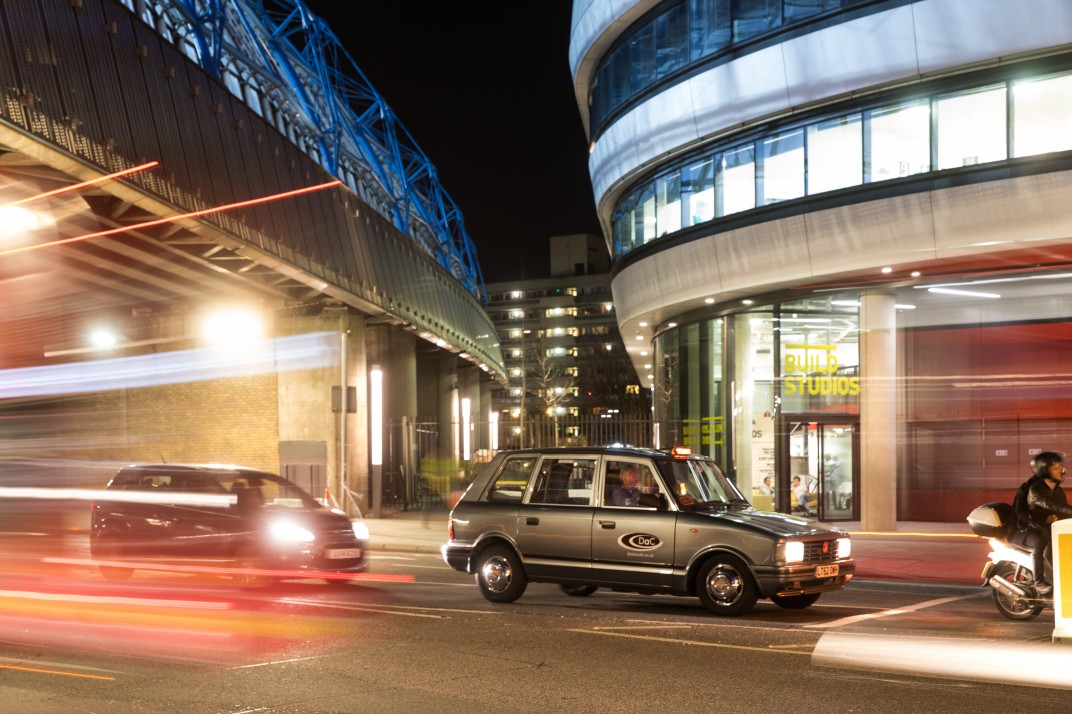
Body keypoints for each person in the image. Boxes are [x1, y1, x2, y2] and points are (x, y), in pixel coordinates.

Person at [1011, 451, 1072, 594]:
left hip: (1043, 528)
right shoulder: (1035, 489)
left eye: (1060, 467)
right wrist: (1044, 520)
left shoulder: (1056, 490)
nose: (1061, 470)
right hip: (1024, 530)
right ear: (1044, 470)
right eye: (1055, 468)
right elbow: (1053, 506)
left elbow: (1063, 510)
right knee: (1039, 542)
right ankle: (1039, 583)